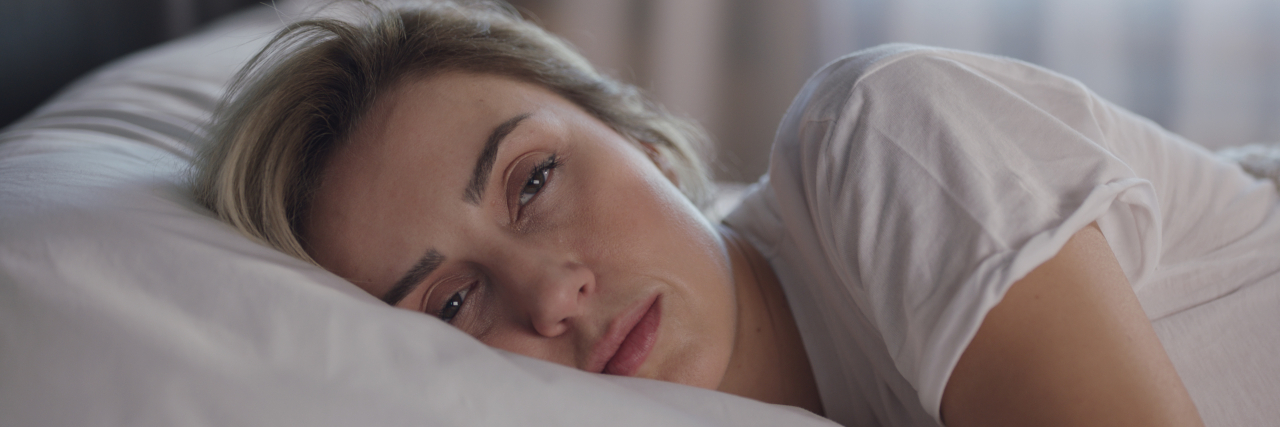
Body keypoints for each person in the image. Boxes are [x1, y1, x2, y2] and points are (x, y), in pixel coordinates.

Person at [194, 1, 1280, 426]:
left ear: (640, 133)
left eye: (530, 180)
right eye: (451, 302)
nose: (550, 293)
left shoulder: (878, 132)